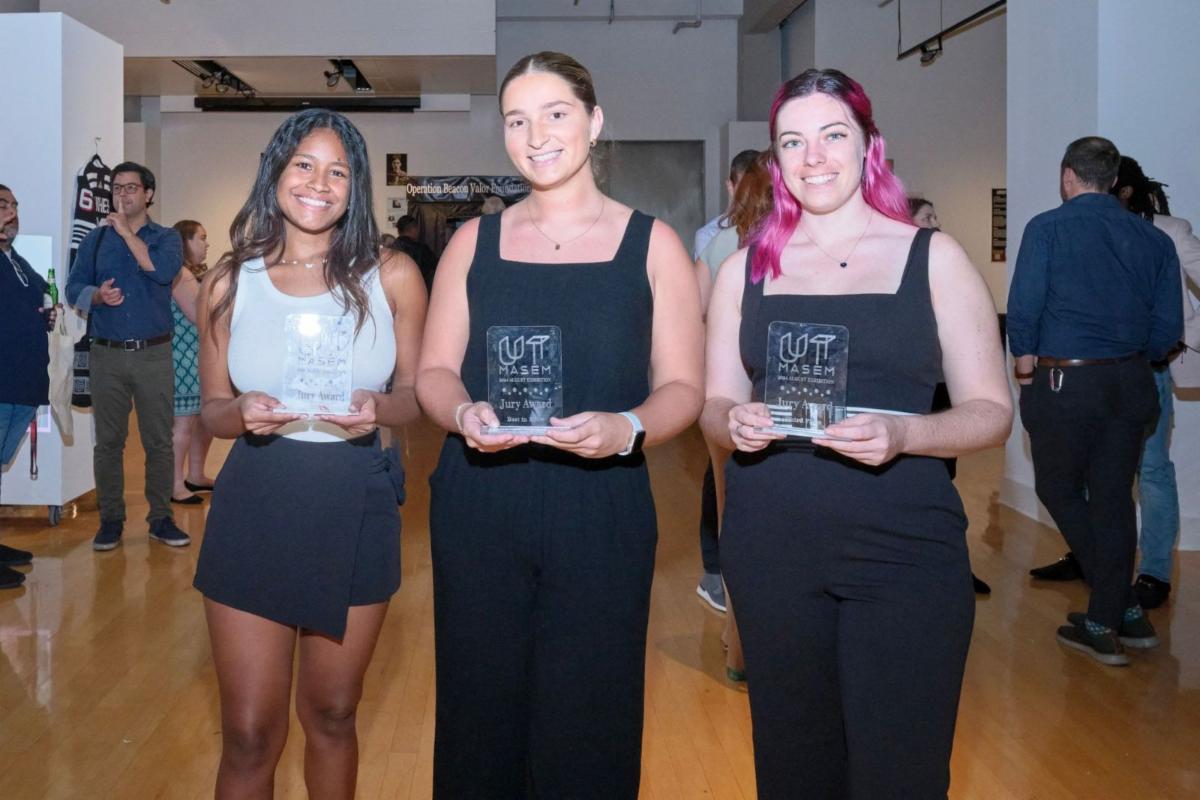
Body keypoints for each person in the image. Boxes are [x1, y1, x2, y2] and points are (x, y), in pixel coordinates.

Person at [704, 69, 1011, 797]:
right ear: (776, 162)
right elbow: (714, 405)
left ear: (872, 146)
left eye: (833, 135)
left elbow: (992, 411)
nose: (814, 157)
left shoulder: (932, 259)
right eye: (793, 142)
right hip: (772, 548)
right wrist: (734, 420)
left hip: (902, 551)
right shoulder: (746, 270)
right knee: (794, 763)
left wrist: (905, 436)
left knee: (898, 769)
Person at [416, 51, 703, 798]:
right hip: (481, 501)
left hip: (601, 507)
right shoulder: (473, 243)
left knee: (592, 718)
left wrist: (627, 428)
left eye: (555, 113)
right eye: (517, 119)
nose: (535, 134)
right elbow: (434, 372)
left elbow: (683, 389)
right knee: (480, 716)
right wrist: (459, 412)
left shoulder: (654, 246)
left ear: (594, 121)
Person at [192, 108, 426, 797]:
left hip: (357, 498)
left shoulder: (393, 275)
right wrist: (237, 412)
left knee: (331, 713)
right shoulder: (230, 281)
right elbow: (211, 409)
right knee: (248, 733)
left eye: (338, 171)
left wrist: (380, 408)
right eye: (304, 165)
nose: (319, 183)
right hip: (257, 500)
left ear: (356, 189)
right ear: (275, 172)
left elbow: (416, 396)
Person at [1009, 137, 1181, 666]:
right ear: (1113, 180)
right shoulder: (1153, 240)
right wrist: (1134, 359)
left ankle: (1110, 615)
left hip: (1067, 383)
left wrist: (1024, 367)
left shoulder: (1047, 228)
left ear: (1068, 176)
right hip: (1132, 382)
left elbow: (1024, 308)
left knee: (1058, 488)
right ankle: (1121, 608)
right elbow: (1167, 329)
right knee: (1111, 497)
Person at [65, 161, 189, 551]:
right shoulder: (95, 241)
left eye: (131, 188)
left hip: (154, 354)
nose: (122, 194)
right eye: (117, 188)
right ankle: (111, 520)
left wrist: (124, 230)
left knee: (159, 442)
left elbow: (159, 270)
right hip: (107, 354)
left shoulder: (166, 238)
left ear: (148, 194)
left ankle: (160, 519)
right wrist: (96, 296)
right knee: (108, 443)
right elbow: (72, 287)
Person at [1111, 156, 1200, 609]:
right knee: (1097, 474)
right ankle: (1100, 562)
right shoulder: (1090, 232)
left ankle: (1155, 573)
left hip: (1149, 370)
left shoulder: (1170, 230)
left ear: (1124, 190)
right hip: (1097, 369)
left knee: (1151, 470)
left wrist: (1185, 336)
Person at [908, 196, 993, 596]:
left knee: (945, 477)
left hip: (943, 387)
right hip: (917, 388)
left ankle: (951, 566)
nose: (936, 222)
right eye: (927, 217)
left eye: (936, 215)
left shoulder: (948, 266)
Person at [0, 183, 59, 590]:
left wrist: (46, 311)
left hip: (23, 380)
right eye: (3, 205)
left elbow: (38, 294)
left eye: (15, 205)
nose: (12, 212)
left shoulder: (14, 257)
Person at [168, 219, 216, 505]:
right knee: (184, 424)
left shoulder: (190, 273)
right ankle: (175, 485)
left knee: (203, 421)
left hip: (197, 356)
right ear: (185, 242)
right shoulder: (180, 274)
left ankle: (195, 475)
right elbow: (200, 317)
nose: (206, 243)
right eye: (201, 237)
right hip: (183, 357)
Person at [693, 148, 760, 261]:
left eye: (758, 188)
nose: (751, 196)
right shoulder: (709, 236)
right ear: (730, 187)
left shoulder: (782, 230)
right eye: (744, 189)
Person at [390, 214, 437, 293]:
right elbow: (437, 266)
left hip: (395, 291)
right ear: (413, 229)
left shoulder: (390, 247)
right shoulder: (422, 249)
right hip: (417, 291)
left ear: (399, 231)